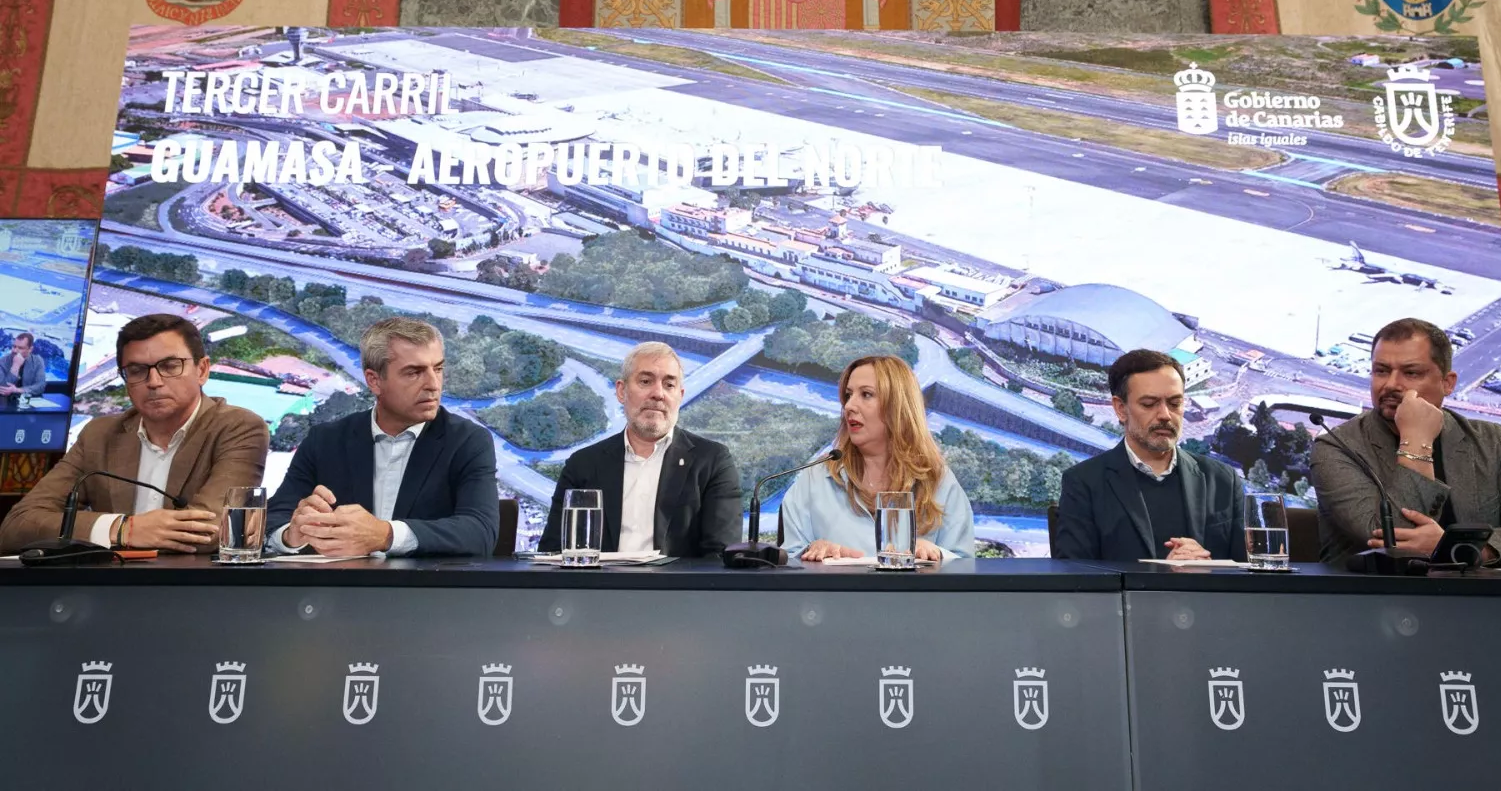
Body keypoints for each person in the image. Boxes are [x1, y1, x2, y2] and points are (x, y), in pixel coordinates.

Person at [0, 314, 267, 555]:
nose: (154, 382)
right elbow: (17, 525)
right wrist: (122, 528)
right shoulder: (99, 434)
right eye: (137, 371)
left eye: (170, 366)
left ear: (202, 370)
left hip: (192, 588)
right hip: (105, 587)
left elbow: (213, 530)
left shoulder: (238, 428)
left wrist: (107, 532)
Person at [1310, 317, 1501, 565]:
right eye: (1381, 371)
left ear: (1447, 383)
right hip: (1377, 589)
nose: (1391, 384)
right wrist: (1415, 439)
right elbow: (1394, 542)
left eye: (1411, 373)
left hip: (1479, 589)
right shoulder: (1336, 448)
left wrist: (1456, 549)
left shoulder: (1492, 441)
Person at [265, 318, 498, 557]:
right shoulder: (325, 440)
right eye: (414, 372)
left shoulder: (468, 441)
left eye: (438, 369)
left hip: (425, 581)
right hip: (340, 580)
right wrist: (291, 535)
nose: (433, 384)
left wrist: (385, 534)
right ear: (374, 380)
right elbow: (274, 519)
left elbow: (480, 532)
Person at [538, 341, 740, 557]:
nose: (658, 393)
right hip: (600, 579)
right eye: (645, 381)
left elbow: (720, 556)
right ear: (621, 391)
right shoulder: (583, 465)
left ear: (680, 396)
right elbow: (554, 551)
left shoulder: (712, 462)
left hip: (678, 580)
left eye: (669, 385)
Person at [1053, 349, 1246, 562]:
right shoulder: (1083, 483)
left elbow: (1249, 571)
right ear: (1120, 409)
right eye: (1149, 404)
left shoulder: (1223, 480)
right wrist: (1164, 573)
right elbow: (1075, 573)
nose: (1165, 415)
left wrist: (1210, 570)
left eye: (1175, 403)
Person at [781, 354, 975, 562]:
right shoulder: (815, 478)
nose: (849, 406)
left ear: (898, 406)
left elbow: (966, 565)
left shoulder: (938, 480)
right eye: (848, 395)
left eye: (866, 394)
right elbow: (786, 559)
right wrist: (811, 552)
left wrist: (936, 554)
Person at [0, 331, 47, 408]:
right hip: (5, 404)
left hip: (28, 404)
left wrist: (17, 390)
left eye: (20, 348)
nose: (15, 350)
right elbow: (3, 389)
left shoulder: (38, 361)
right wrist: (15, 366)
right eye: (14, 346)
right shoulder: (2, 361)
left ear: (30, 349)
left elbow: (40, 386)